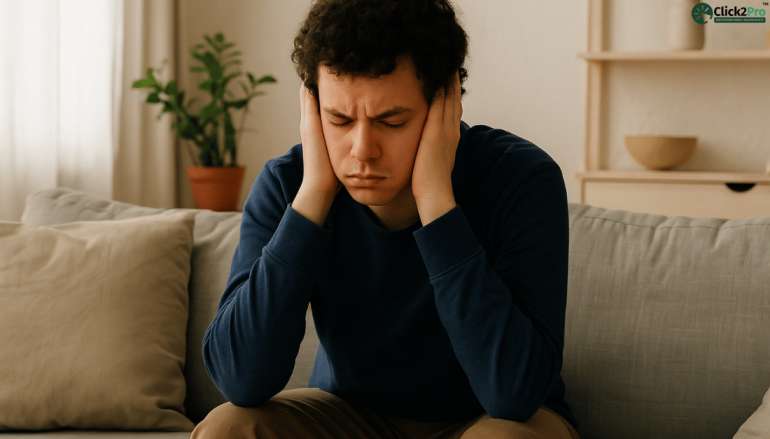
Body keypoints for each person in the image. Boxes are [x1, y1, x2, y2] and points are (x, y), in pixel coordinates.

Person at [192, 0, 580, 438]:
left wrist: (436, 201)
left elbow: (514, 394)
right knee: (230, 427)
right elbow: (240, 380)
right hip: (350, 414)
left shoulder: (521, 179)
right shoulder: (290, 184)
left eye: (391, 121)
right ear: (312, 107)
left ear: (445, 102)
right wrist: (314, 195)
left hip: (489, 420)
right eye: (338, 119)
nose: (361, 150)